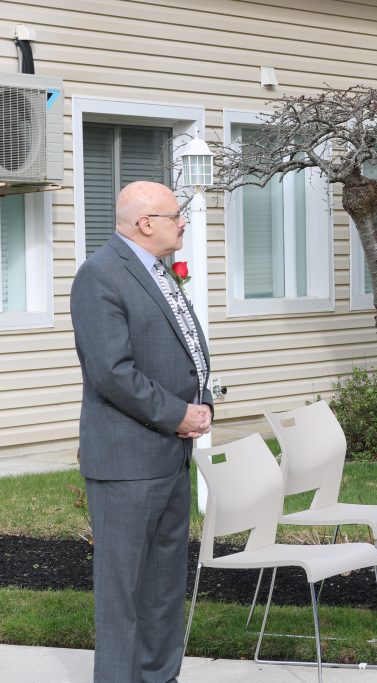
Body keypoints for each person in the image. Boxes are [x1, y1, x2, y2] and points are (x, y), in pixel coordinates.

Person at [70, 181, 213, 682]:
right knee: (123, 592)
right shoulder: (100, 275)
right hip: (126, 462)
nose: (184, 222)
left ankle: (160, 677)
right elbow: (111, 372)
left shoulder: (158, 271)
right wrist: (178, 414)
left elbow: (183, 347)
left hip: (169, 458)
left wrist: (201, 400)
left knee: (163, 586)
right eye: (177, 215)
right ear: (146, 223)